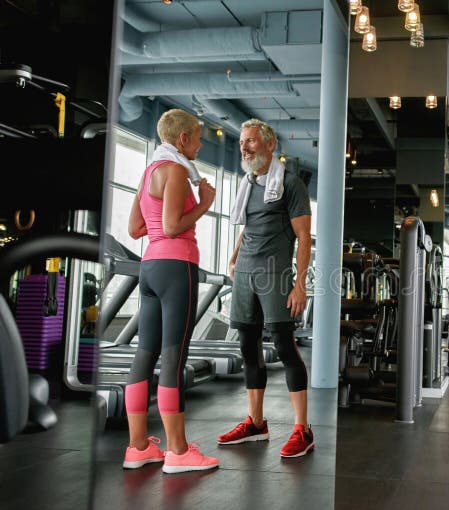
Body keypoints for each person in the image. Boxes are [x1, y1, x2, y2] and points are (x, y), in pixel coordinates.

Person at [123, 108, 219, 474]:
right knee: (174, 359)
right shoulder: (176, 170)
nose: (199, 144)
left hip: (149, 268)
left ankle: (138, 447)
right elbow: (173, 225)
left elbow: (136, 228)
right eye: (197, 138)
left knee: (144, 354)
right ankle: (178, 452)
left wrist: (162, 233)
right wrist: (206, 204)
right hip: (177, 267)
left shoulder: (150, 170)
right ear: (182, 139)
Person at [217, 118, 314, 458]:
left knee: (285, 347)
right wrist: (233, 257)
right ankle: (256, 422)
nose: (244, 147)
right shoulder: (248, 182)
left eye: (251, 141)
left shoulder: (290, 184)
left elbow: (304, 237)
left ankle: (302, 429)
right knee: (247, 346)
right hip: (245, 273)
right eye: (243, 142)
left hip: (275, 275)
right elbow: (249, 225)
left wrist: (300, 284)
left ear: (270, 144)